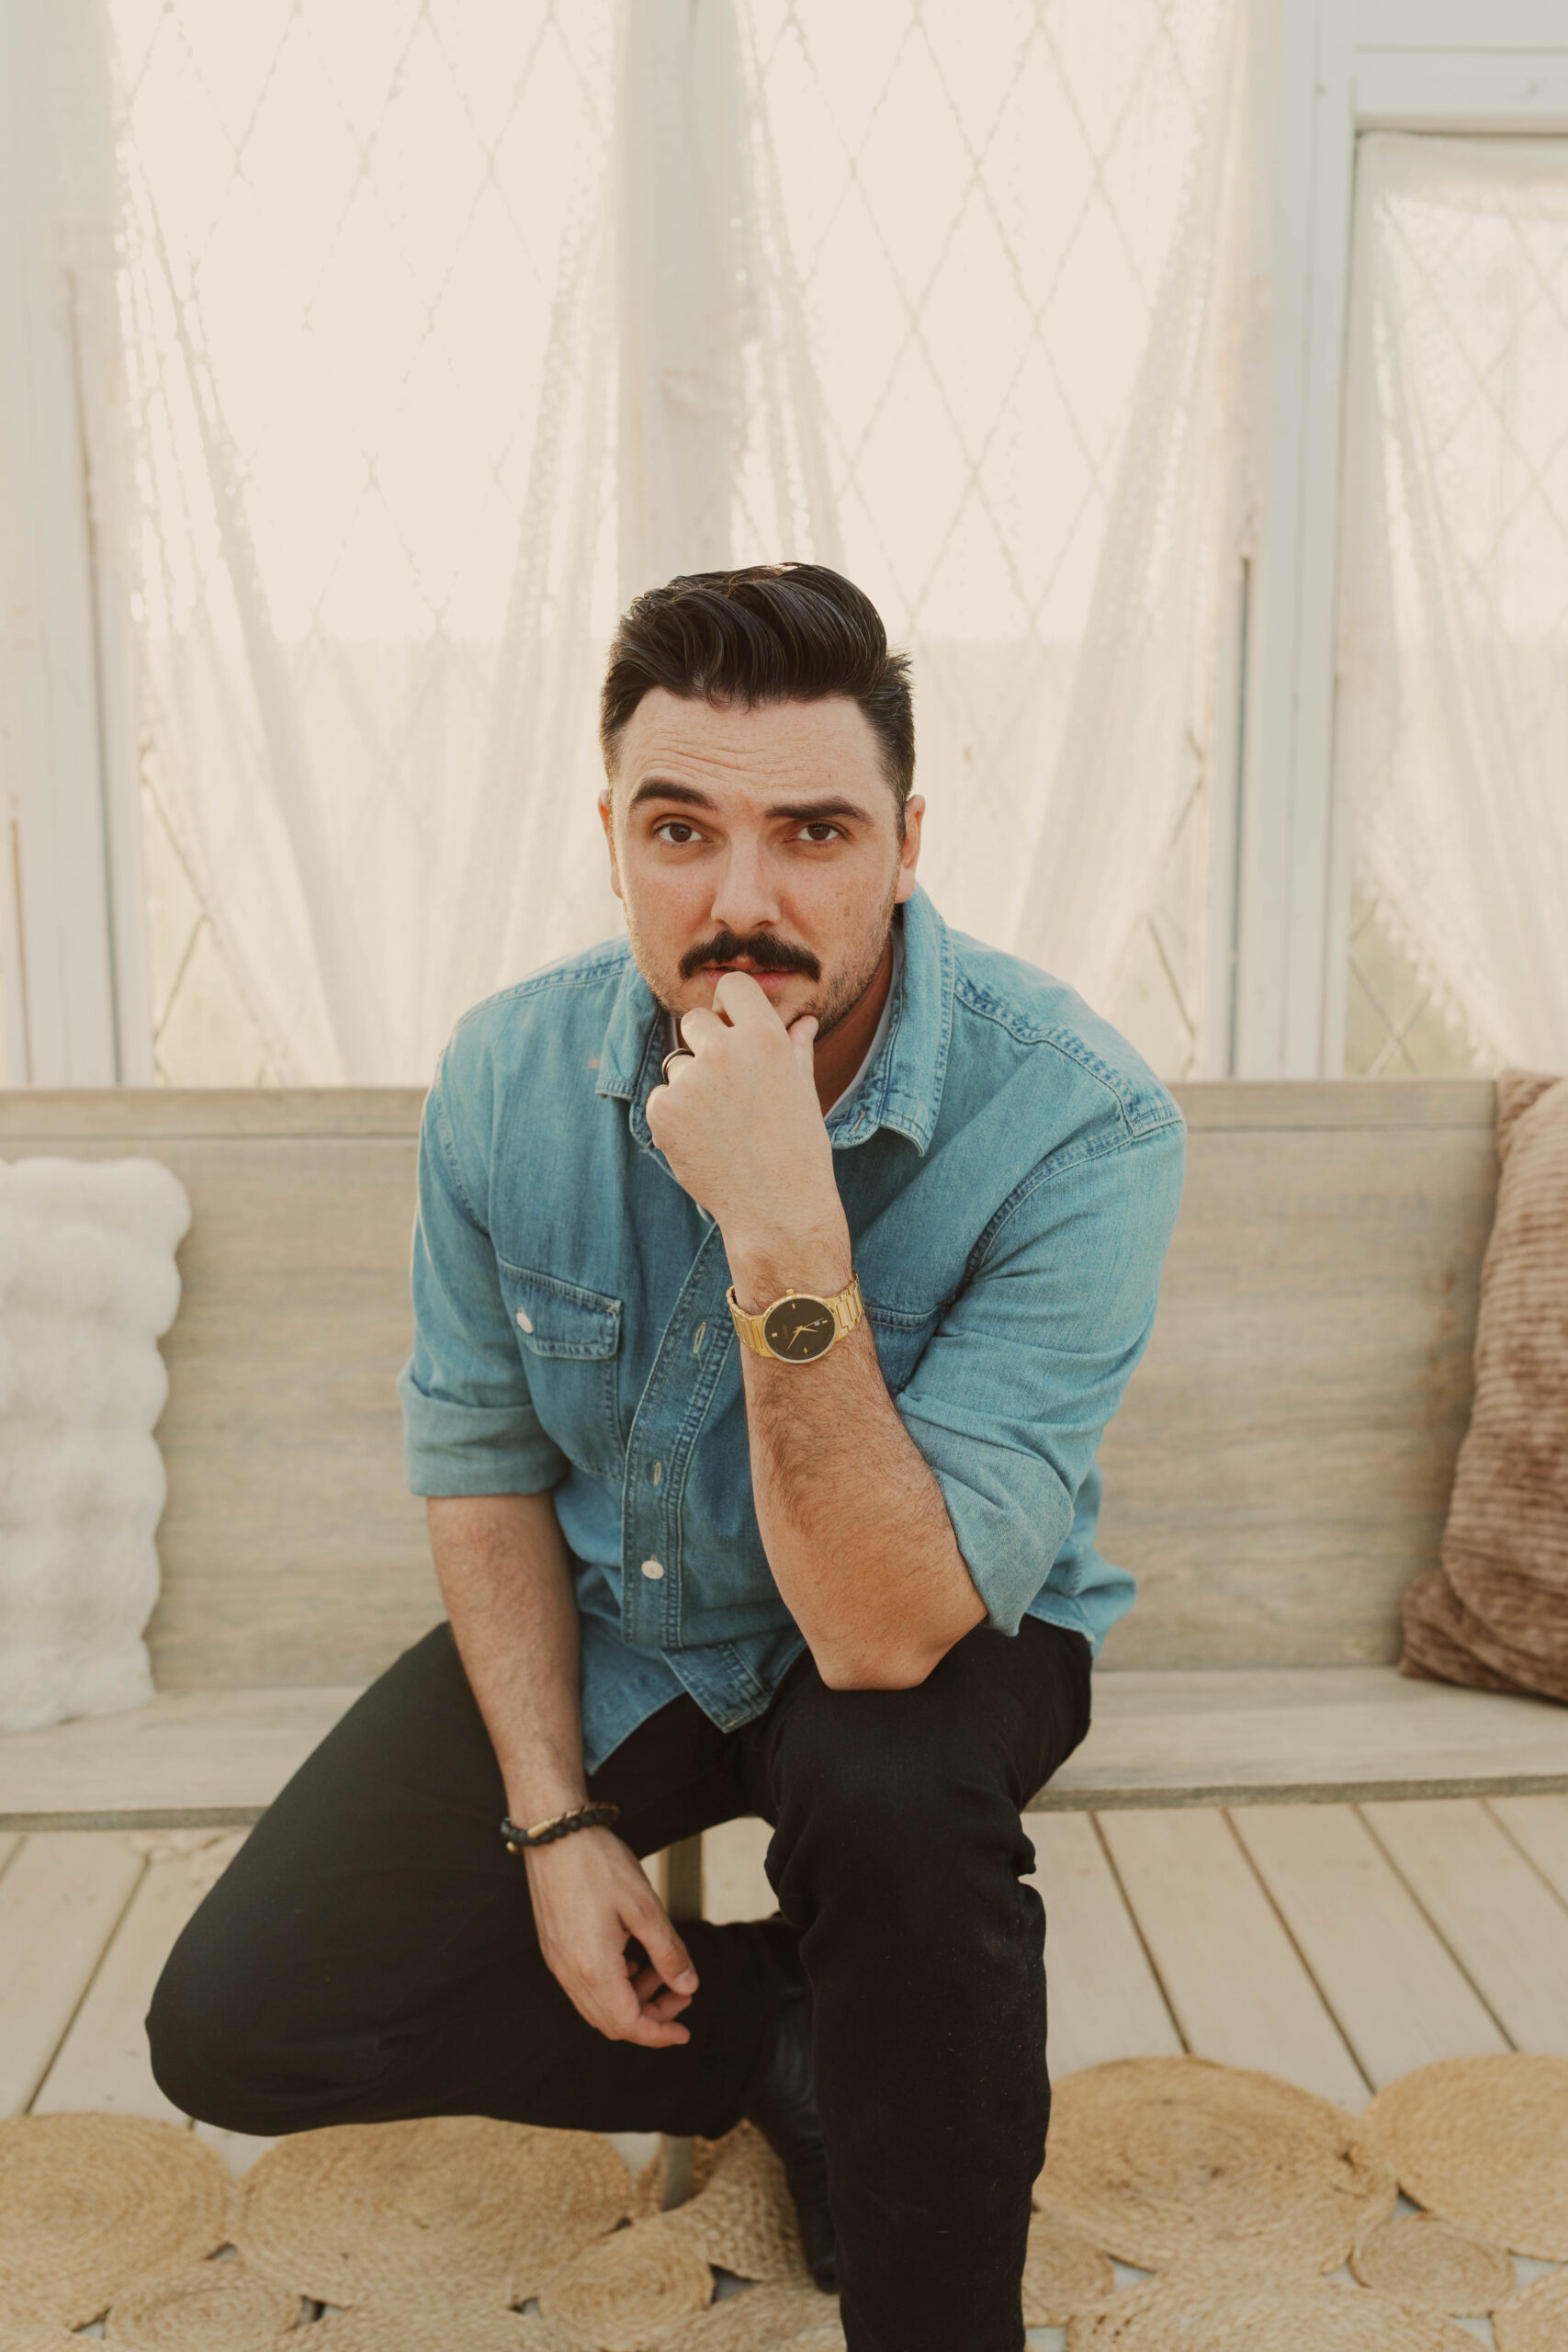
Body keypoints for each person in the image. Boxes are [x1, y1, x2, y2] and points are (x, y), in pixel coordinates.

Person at [147, 562, 1185, 2352]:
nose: (741, 901)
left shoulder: (1079, 1122)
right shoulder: (506, 1077)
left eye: (813, 832)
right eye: (681, 829)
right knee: (244, 2019)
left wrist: (784, 1224)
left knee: (890, 1803)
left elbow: (883, 1634)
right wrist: (555, 1819)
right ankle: (785, 2035)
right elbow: (480, 1460)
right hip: (631, 1611)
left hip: (940, 1623)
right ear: (613, 839)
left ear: (906, 843)